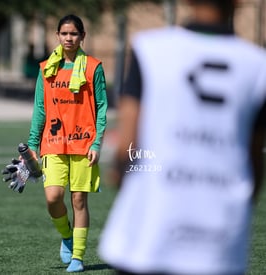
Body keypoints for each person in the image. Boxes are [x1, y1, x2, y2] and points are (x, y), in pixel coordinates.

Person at [98, 0, 266, 274]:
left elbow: (129, 142)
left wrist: (119, 172)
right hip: (219, 236)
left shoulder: (150, 49)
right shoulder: (258, 65)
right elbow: (254, 157)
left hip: (153, 227)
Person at [27, 14, 108, 273]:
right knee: (53, 198)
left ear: (82, 36)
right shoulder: (46, 68)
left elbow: (102, 107)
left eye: (74, 33)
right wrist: (32, 144)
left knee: (79, 201)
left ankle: (78, 257)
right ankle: (66, 236)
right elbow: (40, 108)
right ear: (57, 36)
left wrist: (96, 144)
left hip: (83, 144)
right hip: (53, 141)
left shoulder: (93, 67)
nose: (69, 38)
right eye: (64, 33)